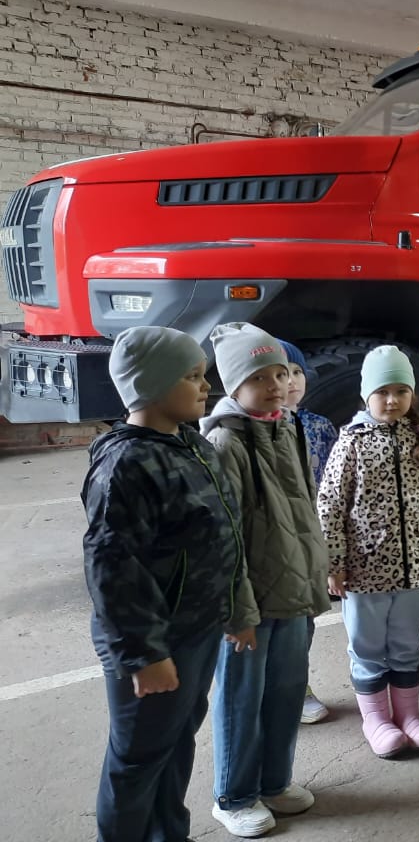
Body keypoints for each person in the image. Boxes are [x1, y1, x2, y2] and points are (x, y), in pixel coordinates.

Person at [83, 326, 244, 842]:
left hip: (196, 628)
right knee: (136, 762)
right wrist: (144, 654)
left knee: (175, 745)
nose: (206, 387)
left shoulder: (189, 443)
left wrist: (236, 607)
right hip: (155, 644)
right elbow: (113, 569)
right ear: (151, 385)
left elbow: (225, 531)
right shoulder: (126, 465)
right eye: (193, 376)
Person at [200, 322, 330, 838]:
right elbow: (221, 536)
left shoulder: (286, 427)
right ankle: (233, 796)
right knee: (239, 697)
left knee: (286, 690)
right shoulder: (225, 442)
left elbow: (301, 513)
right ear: (233, 385)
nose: (276, 384)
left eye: (280, 372)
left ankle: (275, 781)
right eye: (259, 375)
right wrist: (236, 612)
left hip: (291, 591)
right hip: (249, 604)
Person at [318, 346, 419, 758]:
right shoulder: (352, 443)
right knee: (367, 648)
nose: (393, 400)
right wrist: (334, 563)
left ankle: (409, 715)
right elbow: (329, 506)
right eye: (383, 391)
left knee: (405, 645)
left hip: (414, 570)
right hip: (364, 574)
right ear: (366, 395)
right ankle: (376, 719)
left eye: (401, 390)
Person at [278, 339, 338, 726]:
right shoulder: (249, 430)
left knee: (305, 620)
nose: (292, 381)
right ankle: (277, 690)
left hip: (312, 539)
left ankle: (298, 686)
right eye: (283, 373)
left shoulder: (319, 427)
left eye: (297, 371)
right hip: (277, 540)